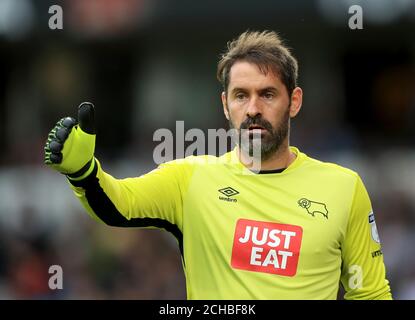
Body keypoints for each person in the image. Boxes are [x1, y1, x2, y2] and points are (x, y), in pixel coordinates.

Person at [44, 30, 392, 299]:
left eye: (267, 94)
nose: (253, 108)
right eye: (242, 95)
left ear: (294, 101)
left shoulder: (344, 187)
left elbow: (372, 292)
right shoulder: (190, 179)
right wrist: (83, 172)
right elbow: (118, 204)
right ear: (226, 105)